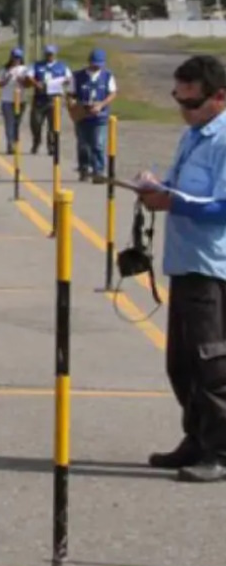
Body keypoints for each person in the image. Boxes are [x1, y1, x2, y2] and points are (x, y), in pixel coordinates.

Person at [137, 55, 226, 482]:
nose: (183, 110)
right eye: (178, 100)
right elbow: (179, 187)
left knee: (213, 365)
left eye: (191, 103)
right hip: (184, 262)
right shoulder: (193, 136)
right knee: (182, 363)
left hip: (212, 266)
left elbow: (222, 207)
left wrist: (170, 201)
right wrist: (156, 186)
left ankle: (220, 450)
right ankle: (197, 438)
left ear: (220, 97)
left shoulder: (224, 140)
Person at [70, 48, 117, 183]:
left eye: (100, 64)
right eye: (95, 63)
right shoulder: (78, 76)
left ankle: (98, 171)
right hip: (82, 115)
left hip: (100, 116)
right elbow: (71, 94)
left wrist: (101, 105)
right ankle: (84, 169)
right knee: (83, 145)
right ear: (89, 62)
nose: (97, 66)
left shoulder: (107, 76)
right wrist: (74, 104)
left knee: (98, 144)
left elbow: (112, 93)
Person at [27, 44, 72, 154]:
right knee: (35, 123)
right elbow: (29, 75)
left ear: (55, 54)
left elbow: (69, 78)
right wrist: (36, 83)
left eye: (51, 54)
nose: (49, 56)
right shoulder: (37, 65)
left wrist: (64, 81)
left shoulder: (62, 66)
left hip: (54, 99)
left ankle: (51, 146)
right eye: (47, 54)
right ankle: (36, 141)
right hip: (39, 99)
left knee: (53, 125)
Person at [0, 47, 30, 154]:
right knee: (9, 123)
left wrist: (22, 81)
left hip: (20, 100)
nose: (16, 60)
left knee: (17, 123)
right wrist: (6, 79)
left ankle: (15, 141)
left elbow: (28, 84)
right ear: (11, 58)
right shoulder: (4, 70)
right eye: (14, 57)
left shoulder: (24, 69)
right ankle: (10, 144)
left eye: (18, 58)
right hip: (7, 100)